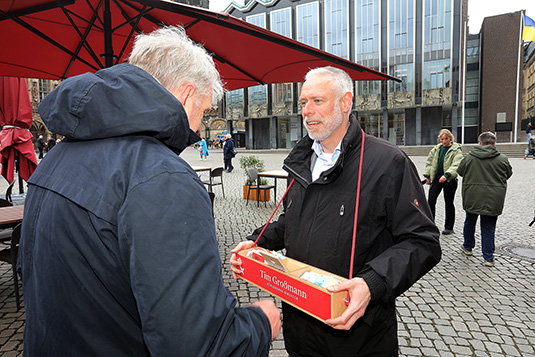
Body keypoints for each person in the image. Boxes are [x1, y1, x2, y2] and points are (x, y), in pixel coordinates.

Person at [18, 26, 280, 356]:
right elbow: (197, 345)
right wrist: (259, 324)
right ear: (186, 95)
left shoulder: (56, 156)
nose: (199, 129)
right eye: (205, 109)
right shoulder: (162, 178)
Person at [229, 66, 441, 356]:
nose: (307, 111)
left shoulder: (389, 163)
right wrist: (258, 240)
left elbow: (422, 241)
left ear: (345, 102)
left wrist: (372, 283)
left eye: (317, 101)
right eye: (303, 102)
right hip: (301, 332)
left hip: (359, 338)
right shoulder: (301, 160)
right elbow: (293, 219)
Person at [458, 132, 512, 267]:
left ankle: (468, 247)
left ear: (479, 143)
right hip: (493, 198)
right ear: (494, 144)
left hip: (472, 195)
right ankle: (488, 258)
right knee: (488, 227)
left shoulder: (469, 157)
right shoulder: (502, 159)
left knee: (470, 221)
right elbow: (508, 174)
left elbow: (460, 171)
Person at [422, 129, 463, 235]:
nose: (444, 141)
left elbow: (456, 164)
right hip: (436, 179)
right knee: (431, 200)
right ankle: (430, 224)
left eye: (446, 139)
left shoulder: (456, 150)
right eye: (442, 139)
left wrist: (447, 175)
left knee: (448, 203)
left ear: (450, 138)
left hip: (449, 180)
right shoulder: (436, 149)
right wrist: (427, 176)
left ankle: (449, 227)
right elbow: (429, 163)